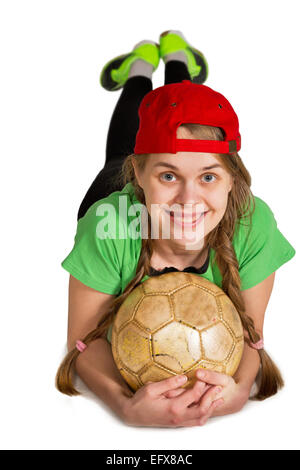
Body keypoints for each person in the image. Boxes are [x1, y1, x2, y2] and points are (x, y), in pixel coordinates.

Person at [55, 30, 296, 427]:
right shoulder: (109, 226)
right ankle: (139, 68)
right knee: (122, 144)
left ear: (233, 179)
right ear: (141, 174)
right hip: (117, 198)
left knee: (175, 112)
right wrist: (124, 406)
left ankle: (177, 56)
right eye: (169, 175)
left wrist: (239, 389)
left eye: (208, 177)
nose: (188, 200)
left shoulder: (254, 225)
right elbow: (82, 340)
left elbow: (252, 334)